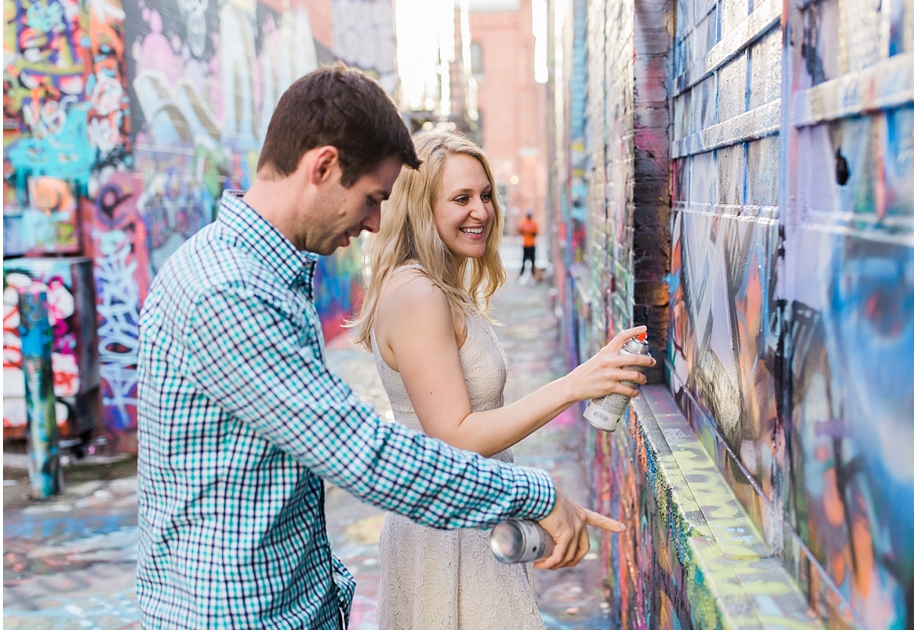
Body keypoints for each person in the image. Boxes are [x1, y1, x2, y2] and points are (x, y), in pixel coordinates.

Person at [134, 65, 625, 630]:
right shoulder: (230, 291)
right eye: (371, 198)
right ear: (322, 167)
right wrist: (533, 494)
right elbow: (361, 453)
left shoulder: (257, 275)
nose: (374, 223)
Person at [349, 131, 655, 629]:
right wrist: (575, 385)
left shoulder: (436, 287)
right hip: (446, 535)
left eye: (486, 195)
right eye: (461, 199)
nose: (482, 212)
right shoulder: (417, 294)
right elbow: (456, 436)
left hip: (469, 516)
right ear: (420, 208)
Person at [518, 209, 539, 280]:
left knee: (533, 261)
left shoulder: (533, 223)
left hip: (532, 245)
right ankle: (521, 274)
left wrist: (528, 232)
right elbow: (520, 231)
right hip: (526, 245)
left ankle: (533, 275)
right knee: (524, 261)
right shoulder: (524, 223)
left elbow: (535, 233)